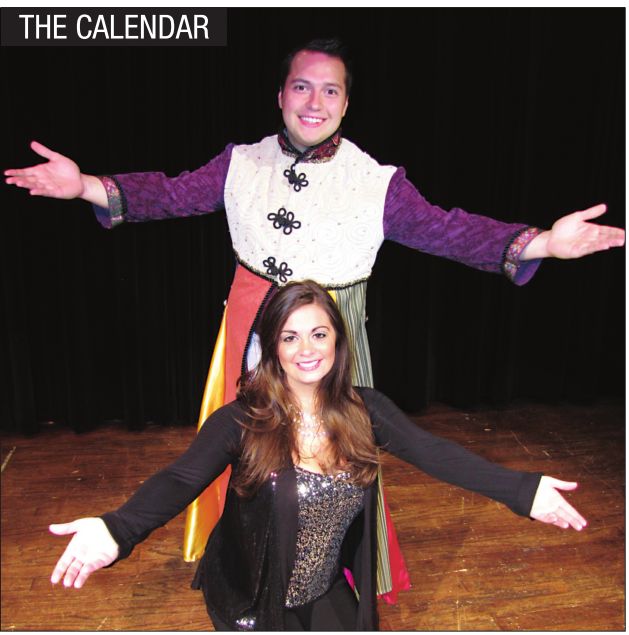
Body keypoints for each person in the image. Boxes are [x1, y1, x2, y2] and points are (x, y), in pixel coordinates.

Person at [5, 39, 622, 602]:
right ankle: (251, 562)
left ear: (346, 104)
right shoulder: (240, 162)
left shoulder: (376, 182)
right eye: (302, 86)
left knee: (343, 451)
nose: (314, 102)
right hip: (252, 322)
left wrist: (543, 243)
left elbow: (449, 230)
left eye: (330, 90)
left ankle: (337, 572)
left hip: (331, 331)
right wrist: (84, 185)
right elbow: (169, 194)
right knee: (246, 446)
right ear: (281, 95)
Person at [48, 280, 587, 631]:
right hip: (253, 598)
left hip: (325, 590)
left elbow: (434, 452)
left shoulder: (366, 411)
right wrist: (116, 529)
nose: (306, 350)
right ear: (272, 348)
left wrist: (523, 490)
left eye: (318, 333)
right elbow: (178, 480)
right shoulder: (241, 420)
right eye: (290, 338)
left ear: (337, 341)